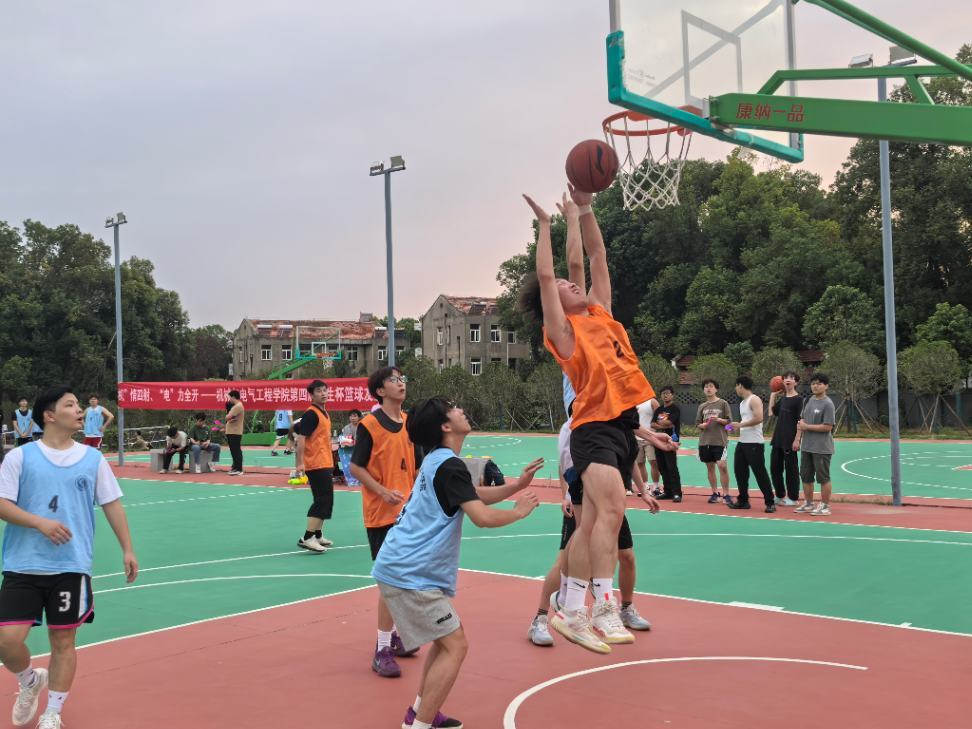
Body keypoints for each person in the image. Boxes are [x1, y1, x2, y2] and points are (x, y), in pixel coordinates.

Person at [520, 188, 673, 653]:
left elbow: (592, 257)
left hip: (622, 427)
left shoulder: (600, 314)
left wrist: (583, 210)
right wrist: (546, 225)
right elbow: (548, 274)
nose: (572, 285)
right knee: (609, 513)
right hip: (592, 428)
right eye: (565, 288)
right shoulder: (563, 331)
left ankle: (570, 608)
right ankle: (602, 606)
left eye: (574, 285)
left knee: (591, 527)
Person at [372, 397, 541, 729]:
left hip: (403, 565)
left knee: (446, 639)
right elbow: (481, 516)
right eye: (453, 408)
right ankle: (419, 725)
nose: (461, 409)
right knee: (455, 646)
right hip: (410, 572)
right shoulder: (447, 465)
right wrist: (518, 512)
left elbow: (469, 495)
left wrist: (516, 486)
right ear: (445, 426)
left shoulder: (439, 461)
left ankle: (421, 712)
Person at [0, 385, 137, 729]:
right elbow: (2, 504)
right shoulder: (20, 457)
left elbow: (111, 504)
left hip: (71, 566)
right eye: (71, 405)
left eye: (78, 405)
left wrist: (127, 548)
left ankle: (53, 713)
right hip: (23, 564)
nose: (79, 410)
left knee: (63, 641)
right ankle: (30, 680)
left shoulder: (92, 459)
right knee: (6, 641)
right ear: (49, 415)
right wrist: (39, 523)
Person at [350, 369, 423, 678]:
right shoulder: (369, 424)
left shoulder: (410, 423)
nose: (401, 383)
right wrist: (382, 491)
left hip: (408, 514)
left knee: (402, 580)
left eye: (402, 378)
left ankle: (392, 637)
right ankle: (382, 649)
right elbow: (356, 467)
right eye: (393, 380)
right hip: (381, 513)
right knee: (391, 581)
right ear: (380, 391)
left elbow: (417, 467)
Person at [294, 380, 335, 552]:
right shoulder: (311, 414)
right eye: (319, 391)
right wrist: (300, 463)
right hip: (316, 463)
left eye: (325, 390)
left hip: (324, 461)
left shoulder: (323, 412)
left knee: (325, 499)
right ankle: (307, 537)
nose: (323, 393)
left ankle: (317, 535)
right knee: (322, 500)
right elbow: (301, 438)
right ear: (311, 394)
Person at [728, 376, 776, 513]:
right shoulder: (742, 403)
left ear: (740, 385)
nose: (735, 389)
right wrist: (731, 427)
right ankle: (743, 501)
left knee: (760, 473)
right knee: (740, 472)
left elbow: (759, 418)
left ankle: (770, 503)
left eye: (736, 386)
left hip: (754, 443)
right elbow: (745, 422)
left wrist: (740, 425)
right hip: (742, 442)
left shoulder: (754, 399)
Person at [794, 374, 836, 516]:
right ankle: (808, 503)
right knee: (806, 476)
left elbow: (828, 427)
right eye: (813, 384)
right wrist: (797, 439)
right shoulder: (808, 400)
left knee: (823, 478)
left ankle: (825, 506)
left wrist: (807, 427)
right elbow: (801, 422)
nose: (815, 386)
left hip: (822, 448)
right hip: (807, 447)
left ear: (826, 386)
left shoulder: (828, 404)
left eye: (819, 383)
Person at [695, 380, 733, 505]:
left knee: (722, 466)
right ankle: (715, 493)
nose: (708, 388)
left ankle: (726, 494)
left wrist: (720, 420)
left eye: (711, 386)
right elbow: (697, 424)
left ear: (716, 389)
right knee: (710, 468)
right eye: (706, 387)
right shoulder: (702, 406)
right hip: (705, 442)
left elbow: (730, 424)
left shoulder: (723, 403)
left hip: (720, 441)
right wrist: (702, 425)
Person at [769, 371, 803, 506]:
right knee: (775, 468)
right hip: (778, 439)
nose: (788, 380)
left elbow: (800, 421)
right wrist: (773, 396)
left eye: (791, 378)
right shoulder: (783, 399)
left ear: (796, 382)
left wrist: (797, 439)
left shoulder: (799, 400)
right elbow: (771, 413)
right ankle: (779, 495)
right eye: (785, 378)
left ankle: (793, 498)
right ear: (782, 382)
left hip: (790, 440)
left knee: (791, 470)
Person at [651, 387, 683, 502]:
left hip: (670, 441)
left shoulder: (675, 409)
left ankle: (676, 493)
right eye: (663, 393)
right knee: (662, 466)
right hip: (658, 440)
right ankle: (668, 491)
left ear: (672, 395)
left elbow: (670, 422)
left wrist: (662, 423)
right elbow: (653, 424)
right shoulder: (659, 409)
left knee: (671, 466)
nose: (665, 395)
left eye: (667, 393)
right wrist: (663, 424)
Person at [635, 396, 662, 497]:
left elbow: (662, 415)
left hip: (650, 437)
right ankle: (645, 486)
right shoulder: (634, 402)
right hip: (636, 438)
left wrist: (658, 428)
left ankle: (656, 487)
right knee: (640, 463)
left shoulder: (652, 401)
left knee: (653, 462)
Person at [337, 409, 362, 487]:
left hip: (361, 451)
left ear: (359, 417)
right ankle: (351, 482)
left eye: (355, 416)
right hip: (349, 451)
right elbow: (345, 440)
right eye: (351, 416)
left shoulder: (363, 426)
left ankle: (361, 481)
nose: (353, 418)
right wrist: (345, 441)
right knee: (349, 467)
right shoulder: (346, 428)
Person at [224, 391, 245, 476]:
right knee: (234, 450)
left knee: (236, 450)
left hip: (235, 432)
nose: (229, 399)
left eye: (230, 397)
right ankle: (235, 467)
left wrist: (228, 416)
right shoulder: (237, 406)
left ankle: (239, 469)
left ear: (233, 397)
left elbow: (227, 417)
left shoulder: (237, 406)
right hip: (232, 431)